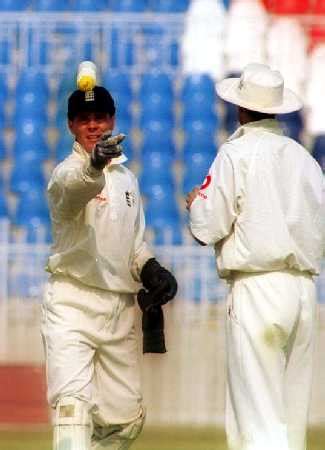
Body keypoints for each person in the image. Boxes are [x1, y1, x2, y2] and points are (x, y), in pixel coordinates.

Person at [186, 63, 325, 450]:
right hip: (302, 289)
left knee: (258, 414)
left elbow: (208, 225)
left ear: (241, 109)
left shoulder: (236, 153)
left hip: (258, 286)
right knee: (290, 416)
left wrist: (195, 205)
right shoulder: (305, 160)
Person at [41, 84, 177, 450]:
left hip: (118, 308)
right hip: (72, 302)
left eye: (99, 118)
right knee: (72, 411)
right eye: (84, 119)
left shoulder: (127, 179)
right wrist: (94, 165)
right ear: (71, 125)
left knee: (125, 422)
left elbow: (133, 243)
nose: (93, 126)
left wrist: (150, 269)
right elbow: (73, 191)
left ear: (112, 120)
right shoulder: (66, 173)